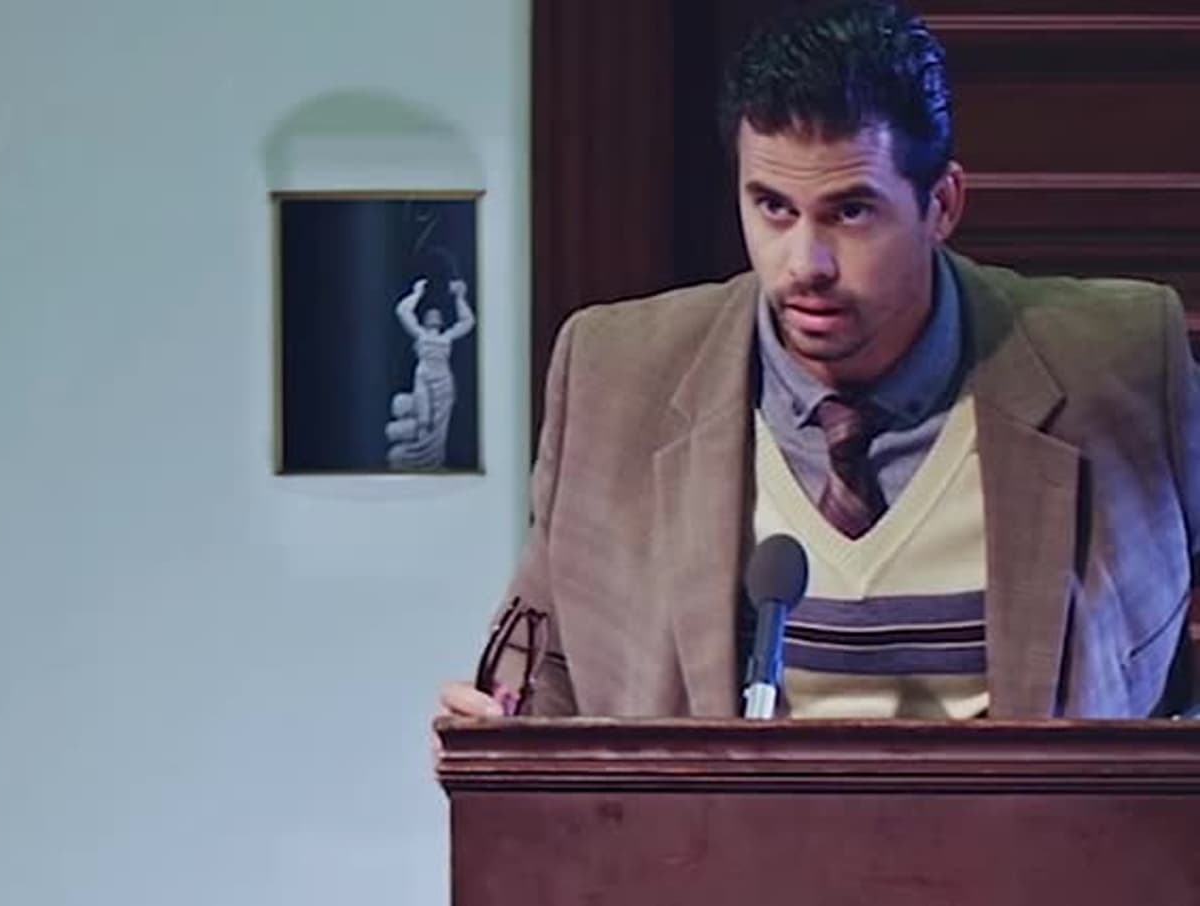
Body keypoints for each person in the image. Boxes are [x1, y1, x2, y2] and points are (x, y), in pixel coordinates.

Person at [438, 0, 1199, 722]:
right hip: (710, 826)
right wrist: (495, 738)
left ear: (941, 205)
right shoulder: (614, 376)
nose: (805, 263)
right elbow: (546, 676)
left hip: (1041, 823)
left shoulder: (1122, 362)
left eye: (851, 212)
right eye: (773, 207)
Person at [386, 276, 476, 470]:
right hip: (425, 378)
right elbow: (403, 311)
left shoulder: (447, 337)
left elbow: (468, 321)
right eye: (430, 315)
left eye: (437, 315)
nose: (434, 317)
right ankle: (417, 456)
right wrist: (417, 294)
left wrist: (460, 298)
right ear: (425, 320)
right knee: (423, 419)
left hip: (444, 383)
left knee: (440, 426)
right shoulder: (421, 335)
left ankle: (434, 460)